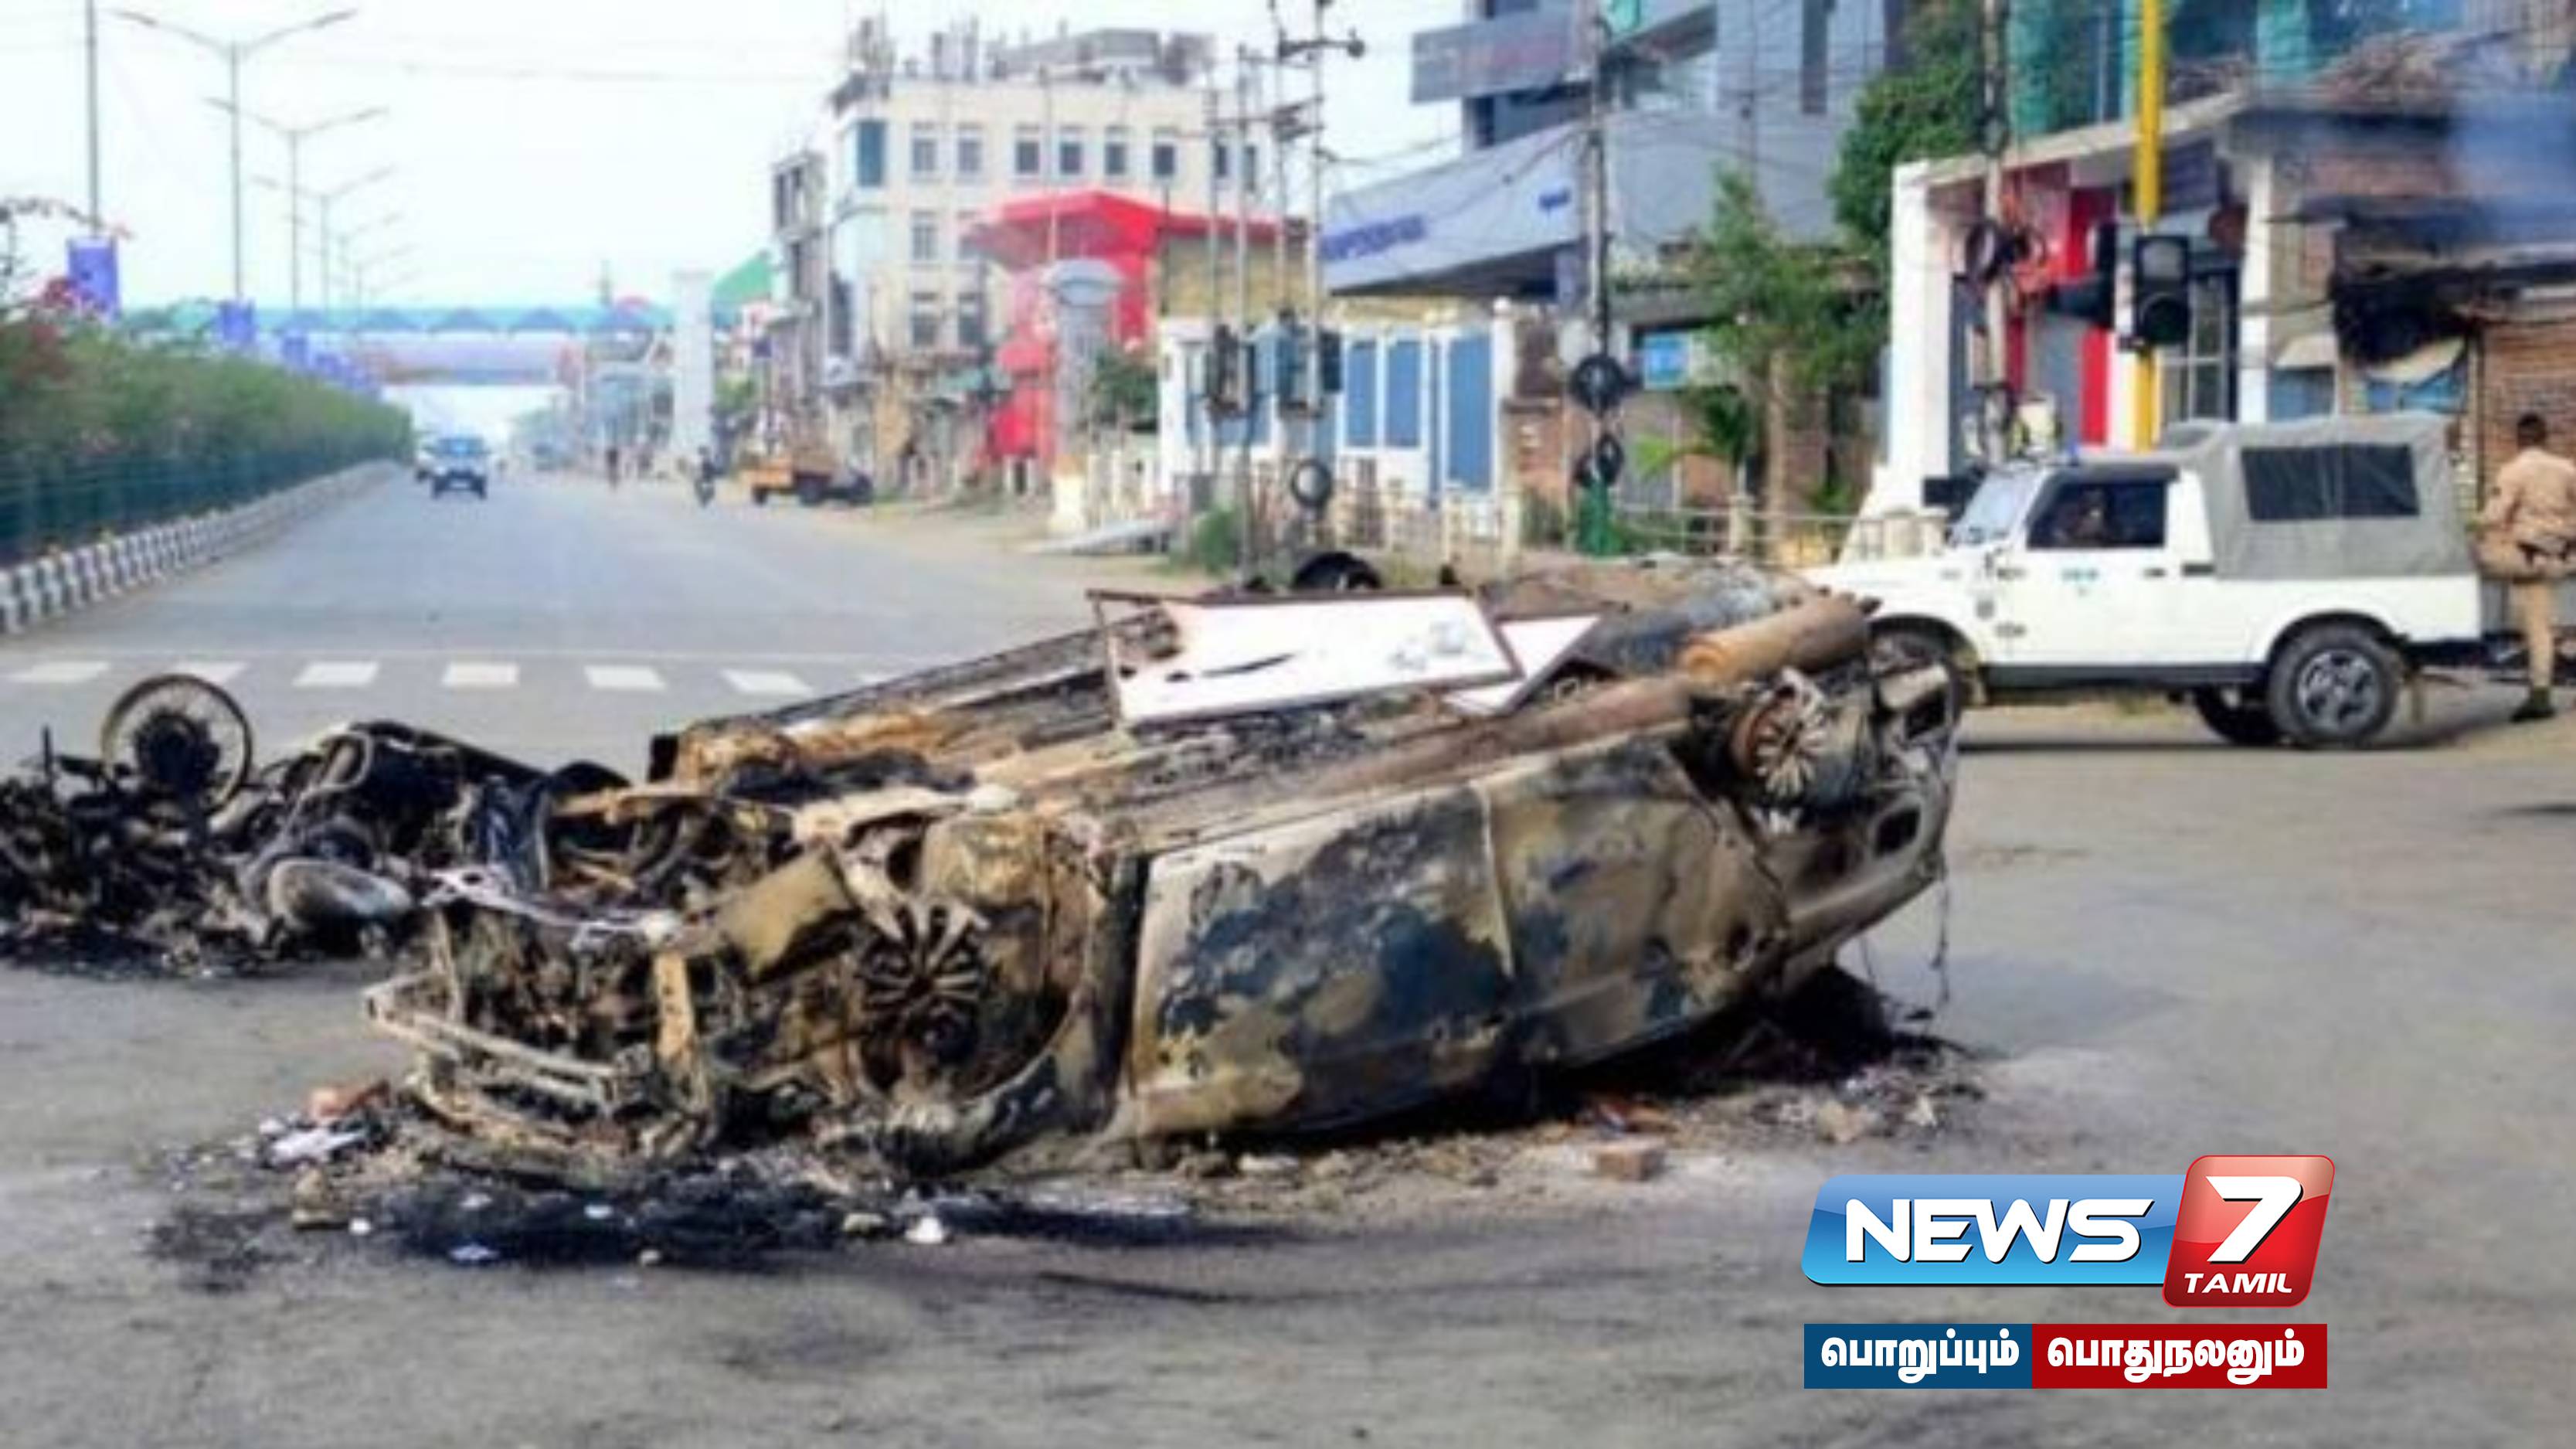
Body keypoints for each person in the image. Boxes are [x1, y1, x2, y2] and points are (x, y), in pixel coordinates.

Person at [2481, 413, 2576, 723]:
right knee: (2543, 624)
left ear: (2519, 440)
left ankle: (2540, 697)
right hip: (2560, 556)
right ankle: (2540, 693)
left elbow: (2494, 516)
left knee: (2479, 554)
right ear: (2545, 438)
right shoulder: (2567, 469)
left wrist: (2478, 526)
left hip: (2527, 558)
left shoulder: (2513, 470)